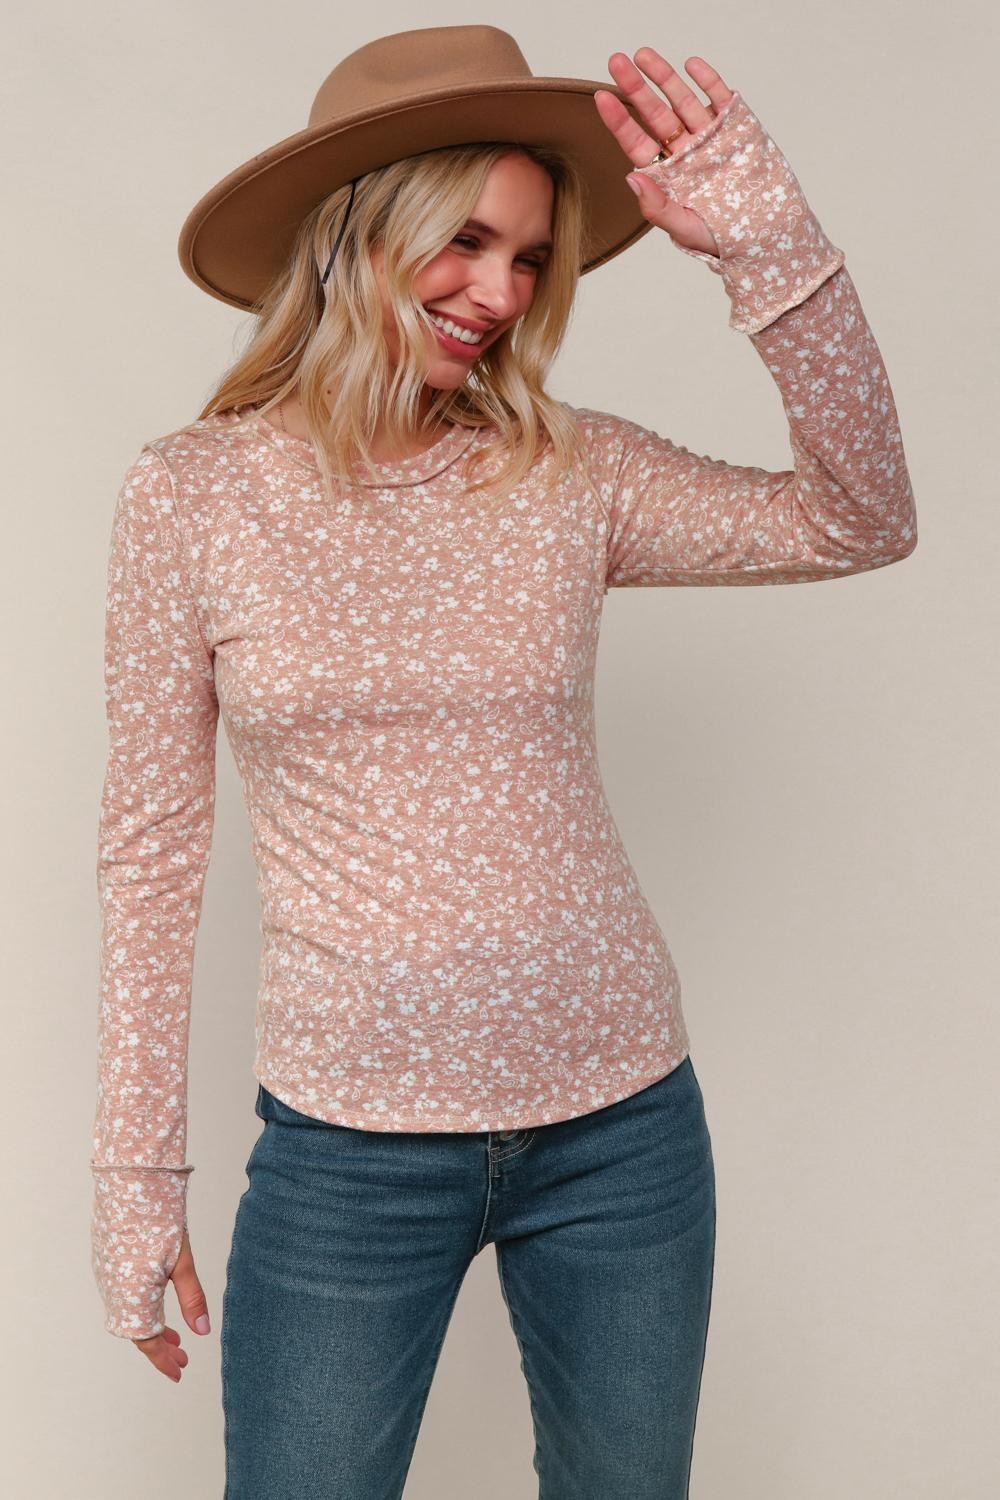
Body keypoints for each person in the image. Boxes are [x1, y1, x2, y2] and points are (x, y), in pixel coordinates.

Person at [90, 23, 918, 1500]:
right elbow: (153, 844)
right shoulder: (193, 496)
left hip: (623, 1134)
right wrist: (136, 1175)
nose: (502, 292)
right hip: (347, 1158)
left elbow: (860, 517)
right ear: (359, 235)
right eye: (464, 241)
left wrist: (769, 249)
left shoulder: (571, 470)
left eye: (533, 257)